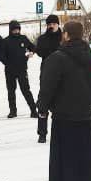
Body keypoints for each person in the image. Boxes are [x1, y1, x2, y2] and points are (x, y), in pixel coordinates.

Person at [37, 20, 91, 181]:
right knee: (88, 150)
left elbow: (48, 86)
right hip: (86, 114)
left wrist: (42, 107)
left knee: (67, 152)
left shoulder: (58, 57)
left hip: (64, 114)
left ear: (66, 35)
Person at [34, 15, 63, 143]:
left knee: (62, 102)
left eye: (54, 24)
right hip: (46, 72)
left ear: (58, 24)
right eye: (49, 24)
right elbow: (39, 51)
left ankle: (61, 132)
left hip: (63, 73)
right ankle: (42, 133)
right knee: (43, 102)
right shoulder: (43, 38)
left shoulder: (64, 37)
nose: (51, 26)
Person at [1, 20, 38, 118]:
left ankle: (33, 110)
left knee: (26, 90)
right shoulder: (6, 41)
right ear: (10, 30)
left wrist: (31, 53)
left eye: (17, 29)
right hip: (10, 71)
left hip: (22, 69)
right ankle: (13, 111)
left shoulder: (23, 38)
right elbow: (1, 56)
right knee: (11, 91)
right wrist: (8, 64)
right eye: (14, 30)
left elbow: (33, 47)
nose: (16, 31)